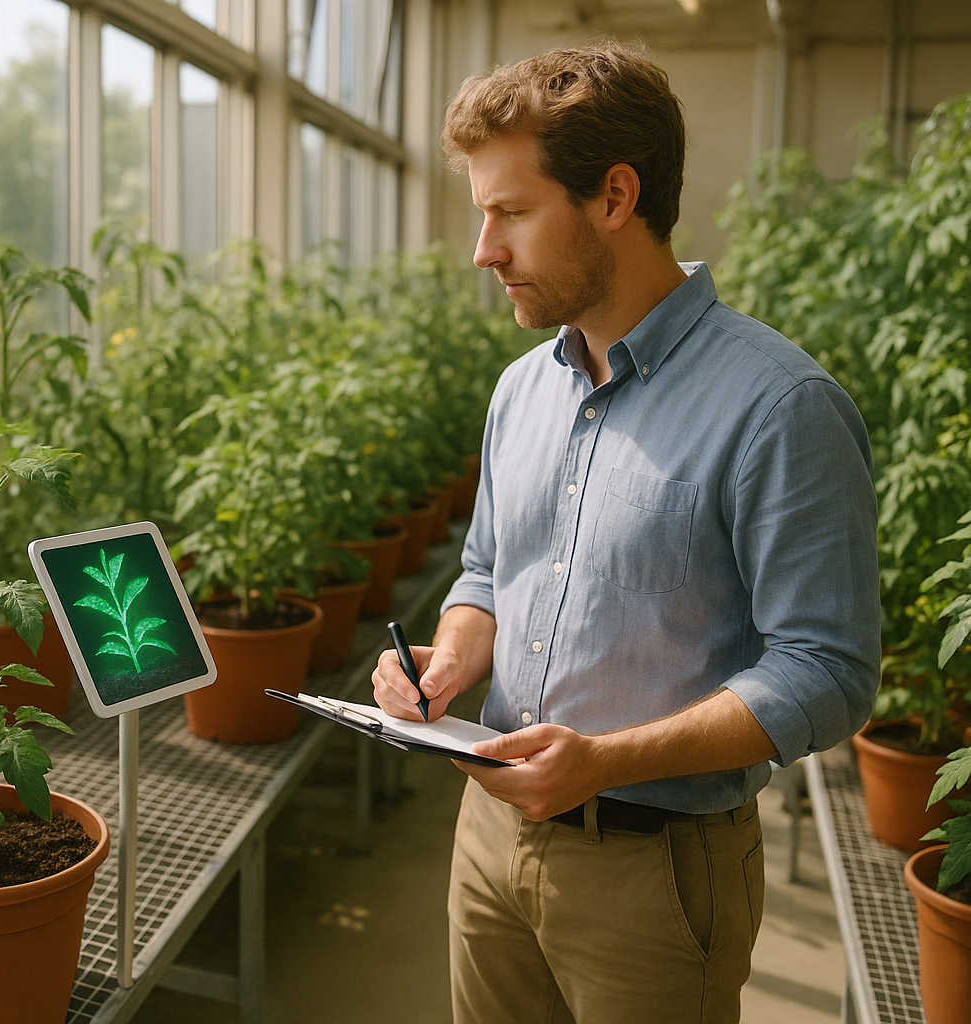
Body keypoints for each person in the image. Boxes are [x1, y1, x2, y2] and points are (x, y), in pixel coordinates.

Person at [370, 42, 879, 1024]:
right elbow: (487, 570)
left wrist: (606, 759)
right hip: (487, 835)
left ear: (614, 196)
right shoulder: (521, 390)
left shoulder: (779, 406)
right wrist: (447, 662)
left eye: (510, 211)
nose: (484, 249)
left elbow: (828, 667)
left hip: (654, 869)